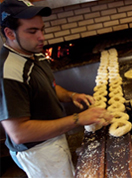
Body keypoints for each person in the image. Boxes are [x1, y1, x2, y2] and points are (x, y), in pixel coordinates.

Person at [0, 0, 113, 177]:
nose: (41, 37)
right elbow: (19, 133)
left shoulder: (33, 53)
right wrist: (77, 119)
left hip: (54, 137)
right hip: (38, 150)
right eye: (32, 31)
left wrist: (71, 95)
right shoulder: (8, 72)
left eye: (42, 29)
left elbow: (49, 87)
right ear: (10, 33)